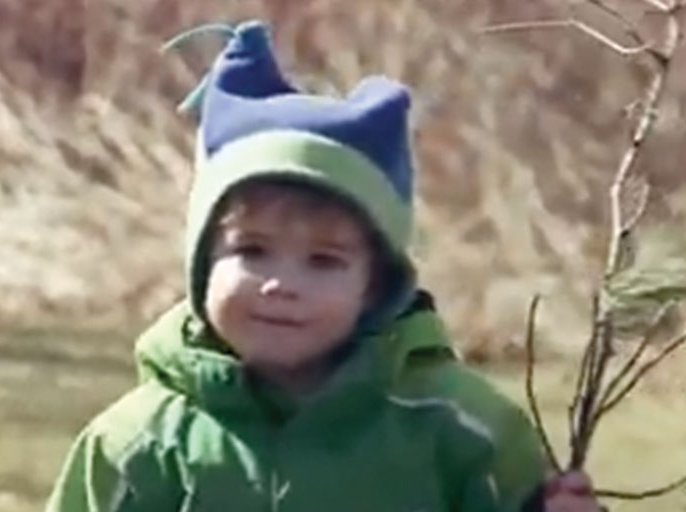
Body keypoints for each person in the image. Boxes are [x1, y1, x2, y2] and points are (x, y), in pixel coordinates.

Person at [45, 20, 602, 512]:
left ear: (376, 284)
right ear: (202, 263)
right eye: (250, 250)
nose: (281, 284)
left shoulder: (459, 429)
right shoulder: (138, 442)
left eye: (324, 261)